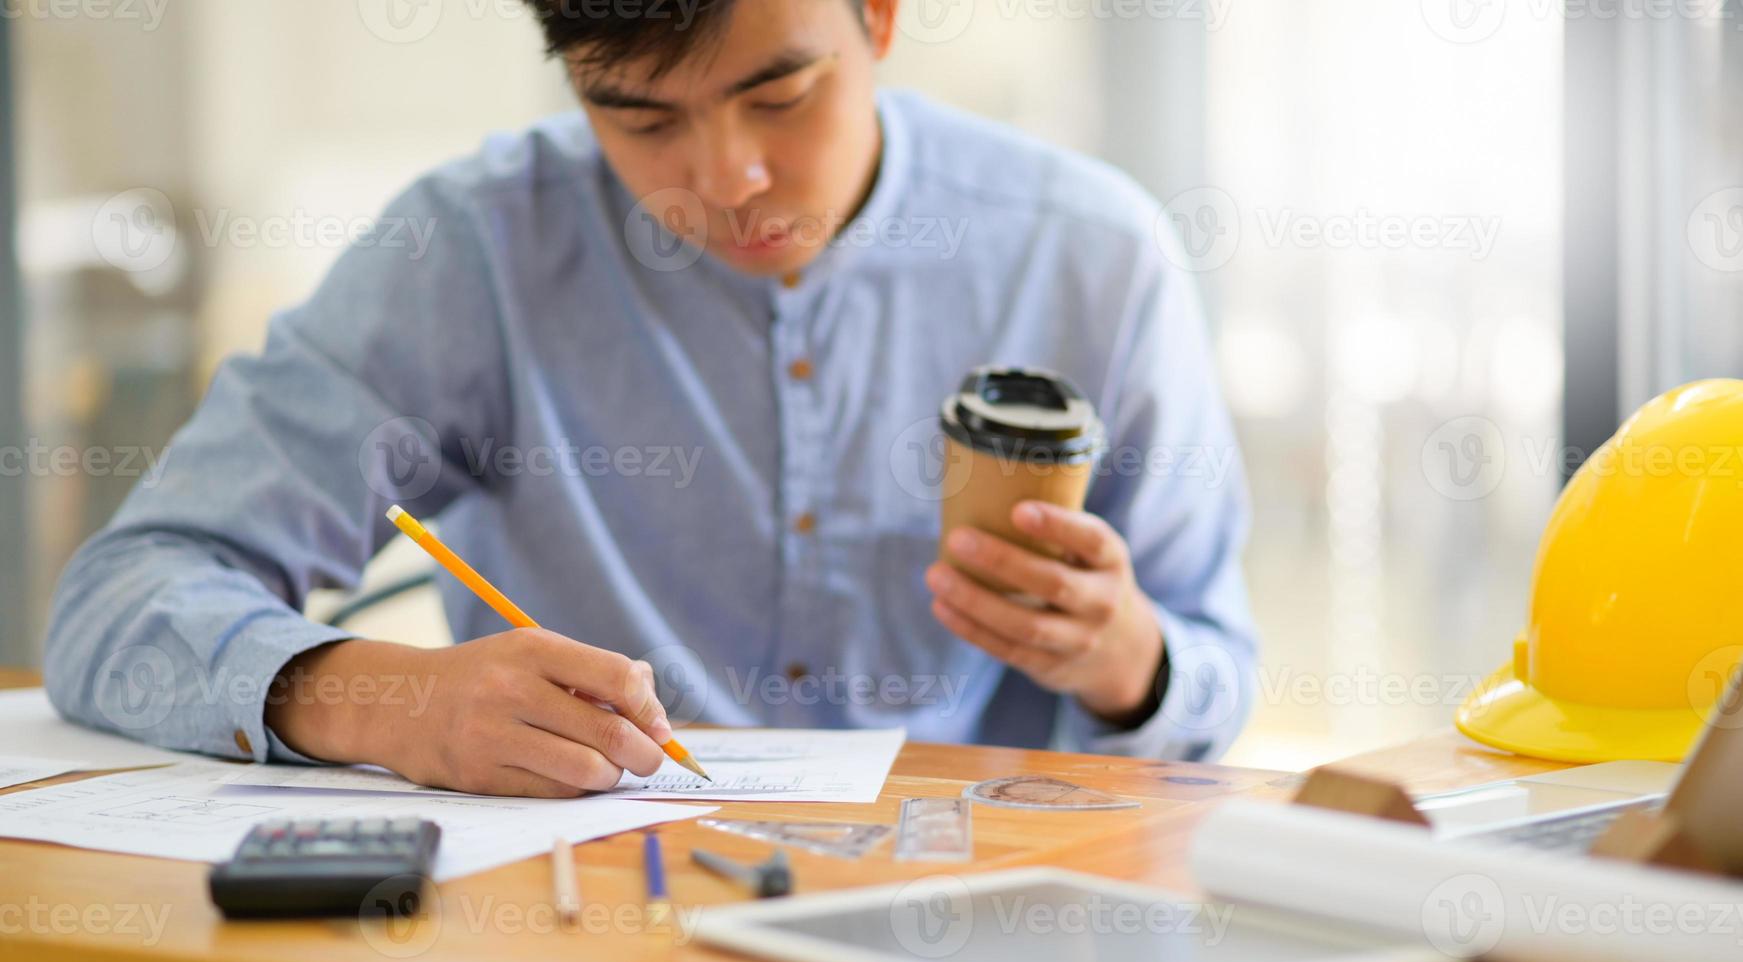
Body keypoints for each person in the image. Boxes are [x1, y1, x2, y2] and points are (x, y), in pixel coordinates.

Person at [44, 0, 1258, 797]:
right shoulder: (473, 250)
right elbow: (119, 598)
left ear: (880, 17)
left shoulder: (1093, 252)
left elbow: (1215, 673)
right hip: (596, 914)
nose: (726, 178)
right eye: (638, 116)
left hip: (979, 909)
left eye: (780, 96)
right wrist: (388, 695)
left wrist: (1128, 661)